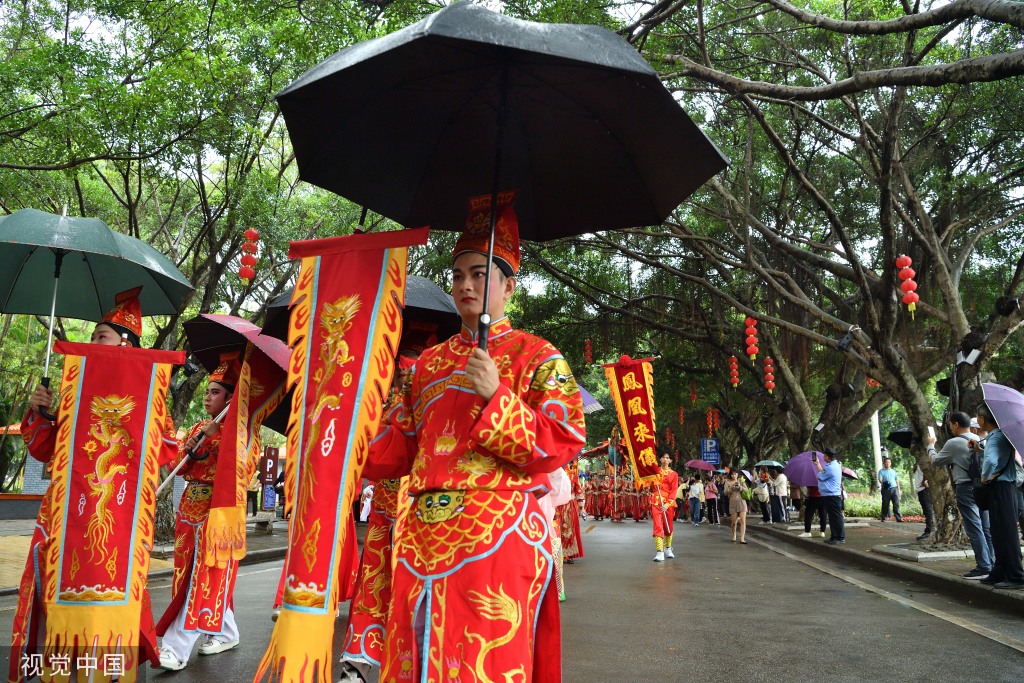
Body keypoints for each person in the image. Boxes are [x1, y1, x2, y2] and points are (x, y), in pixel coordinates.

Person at [361, 202, 586, 682]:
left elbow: (563, 440)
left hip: (497, 535)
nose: (465, 285)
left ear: (509, 285)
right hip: (421, 536)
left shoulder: (538, 356)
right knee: (414, 657)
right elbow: (400, 446)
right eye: (459, 274)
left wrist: (497, 395)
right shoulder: (426, 365)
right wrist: (349, 426)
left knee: (479, 664)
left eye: (480, 274)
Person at [10, 287, 177, 680]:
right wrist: (41, 413)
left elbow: (166, 447)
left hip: (118, 513)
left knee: (107, 589)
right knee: (56, 587)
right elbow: (43, 449)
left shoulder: (149, 392)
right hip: (64, 510)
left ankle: (108, 667)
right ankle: (61, 664)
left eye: (99, 336)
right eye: (92, 336)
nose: (91, 342)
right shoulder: (73, 385)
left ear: (125, 342)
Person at [156, 354, 245, 670]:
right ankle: (227, 631)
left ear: (231, 398)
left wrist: (214, 444)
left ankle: (175, 648)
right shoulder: (198, 425)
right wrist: (194, 445)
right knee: (186, 577)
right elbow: (176, 467)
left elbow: (242, 470)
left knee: (201, 578)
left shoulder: (241, 433)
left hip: (217, 515)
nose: (207, 397)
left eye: (215, 392)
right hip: (187, 512)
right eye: (207, 391)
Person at [927, 411, 992, 579]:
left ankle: (984, 567)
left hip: (966, 488)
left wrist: (930, 446)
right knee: (986, 527)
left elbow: (936, 461)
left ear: (955, 424)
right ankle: (992, 563)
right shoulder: (980, 439)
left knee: (974, 527)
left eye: (950, 425)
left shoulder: (953, 442)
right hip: (984, 487)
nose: (950, 428)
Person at [976, 402, 1024, 589]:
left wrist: (984, 476)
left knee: (1006, 532)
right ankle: (1000, 570)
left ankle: (1016, 575)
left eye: (978, 417)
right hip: (1005, 487)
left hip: (1001, 488)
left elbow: (991, 460)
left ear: (982, 418)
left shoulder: (995, 438)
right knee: (998, 531)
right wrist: (979, 450)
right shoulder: (1000, 435)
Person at [651, 454, 679, 561]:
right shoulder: (655, 473)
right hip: (656, 501)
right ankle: (659, 551)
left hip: (668, 502)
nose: (665, 459)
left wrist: (667, 504)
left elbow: (674, 490)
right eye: (663, 457)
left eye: (668, 457)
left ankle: (667, 548)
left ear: (671, 460)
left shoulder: (674, 474)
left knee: (669, 526)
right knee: (658, 525)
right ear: (660, 459)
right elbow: (651, 487)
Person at [815, 448, 845, 544]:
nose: (823, 457)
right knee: (832, 517)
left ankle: (840, 538)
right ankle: (834, 537)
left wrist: (819, 469)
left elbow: (819, 476)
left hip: (831, 495)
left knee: (836, 517)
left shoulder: (831, 467)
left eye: (824, 455)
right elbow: (823, 473)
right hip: (830, 495)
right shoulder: (835, 465)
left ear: (827, 457)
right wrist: (818, 465)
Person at [723, 470, 748, 543]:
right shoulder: (727, 482)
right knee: (734, 522)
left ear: (737, 474)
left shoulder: (741, 480)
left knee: (743, 521)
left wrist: (740, 487)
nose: (734, 476)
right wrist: (730, 488)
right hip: (733, 503)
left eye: (735, 474)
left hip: (742, 502)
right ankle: (734, 535)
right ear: (730, 475)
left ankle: (742, 538)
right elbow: (725, 493)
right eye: (732, 474)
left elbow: (746, 490)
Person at [877, 456, 903, 522]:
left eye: (889, 462)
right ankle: (884, 517)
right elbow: (880, 479)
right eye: (886, 462)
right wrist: (883, 482)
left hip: (894, 489)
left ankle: (898, 518)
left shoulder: (893, 471)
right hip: (886, 489)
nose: (887, 463)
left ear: (890, 463)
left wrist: (899, 490)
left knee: (896, 504)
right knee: (885, 504)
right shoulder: (881, 471)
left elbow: (897, 480)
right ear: (884, 463)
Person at [913, 464, 935, 542]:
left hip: (924, 489)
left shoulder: (923, 461)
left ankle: (928, 531)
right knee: (927, 511)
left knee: (928, 511)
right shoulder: (919, 462)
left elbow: (926, 471)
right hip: (921, 490)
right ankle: (929, 530)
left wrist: (924, 481)